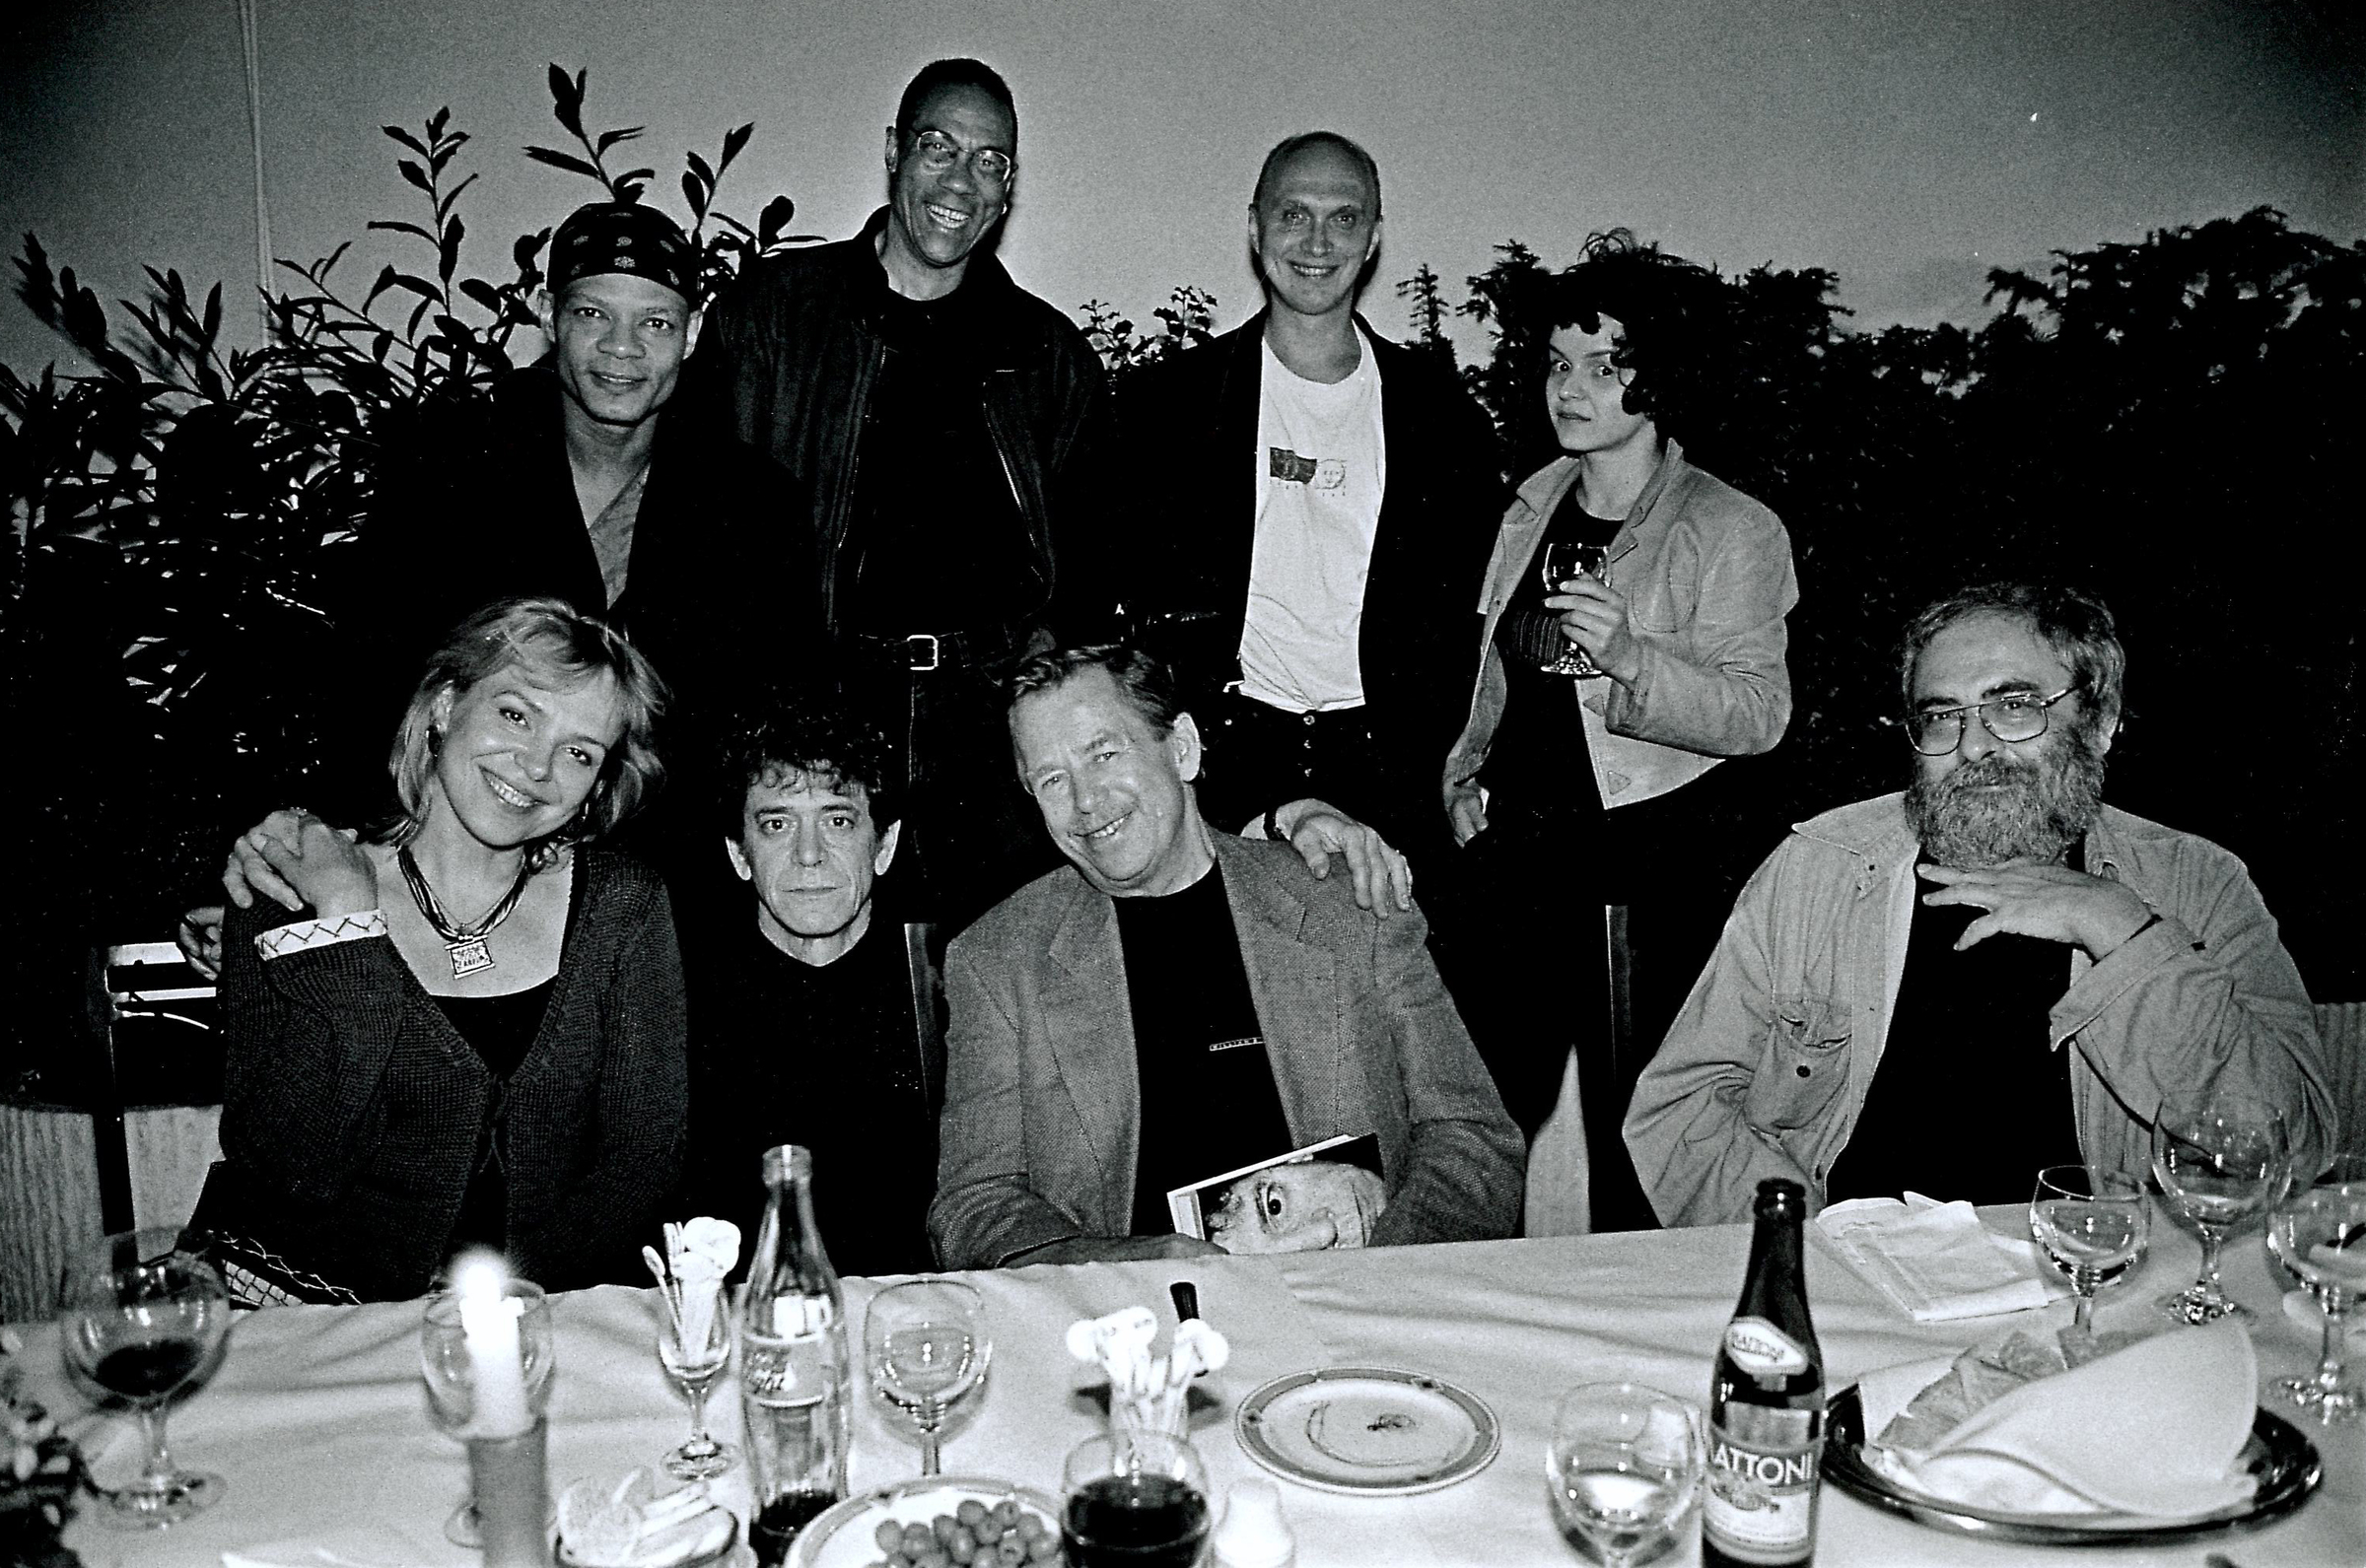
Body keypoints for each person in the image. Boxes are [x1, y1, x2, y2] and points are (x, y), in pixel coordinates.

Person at [1623, 583, 2334, 1227]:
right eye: (1941, 717)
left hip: (2092, 1275)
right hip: (1857, 1274)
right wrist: (1804, 1246)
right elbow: (1683, 1108)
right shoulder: (1823, 868)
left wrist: (2121, 930)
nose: (1972, 746)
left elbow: (2288, 1147)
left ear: (2100, 722)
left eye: (2014, 707)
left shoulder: (2195, 882)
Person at [928, 645, 1523, 1270]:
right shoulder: (1000, 961)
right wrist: (1122, 1264)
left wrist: (1374, 1279)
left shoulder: (1345, 904)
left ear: (1183, 748)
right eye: (1051, 779)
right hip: (1143, 1314)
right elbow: (974, 1205)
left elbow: (1472, 1140)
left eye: (1104, 754)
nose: (1085, 801)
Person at [695, 58, 1115, 930]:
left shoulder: (1048, 356)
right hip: (824, 709)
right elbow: (700, 534)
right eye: (938, 147)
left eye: (990, 161)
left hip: (992, 723)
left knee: (1003, 966)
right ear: (893, 152)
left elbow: (1092, 566)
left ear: (1008, 186)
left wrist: (1043, 684)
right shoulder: (773, 318)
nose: (961, 181)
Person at [1440, 233, 1799, 1228]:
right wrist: (1464, 779)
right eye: (1559, 364)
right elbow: (1498, 678)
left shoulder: (1730, 526)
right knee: (1484, 1119)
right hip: (1517, 863)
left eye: (1604, 366)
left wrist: (1636, 657)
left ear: (1662, 377)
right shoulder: (1529, 506)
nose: (1571, 387)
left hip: (1642, 873)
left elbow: (1760, 713)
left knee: (1633, 1137)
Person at [209, 597, 685, 1300]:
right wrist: (346, 923)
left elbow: (641, 1162)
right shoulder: (289, 889)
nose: (537, 766)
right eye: (516, 715)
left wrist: (500, 1306)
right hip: (297, 1308)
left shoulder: (622, 907)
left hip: (526, 1314)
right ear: (443, 706)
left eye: (579, 752)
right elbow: (292, 1172)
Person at [341, 198, 813, 830]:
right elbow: (372, 680)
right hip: (469, 836)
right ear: (548, 314)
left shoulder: (754, 504)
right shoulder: (449, 472)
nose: (622, 348)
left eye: (655, 323)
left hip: (676, 857)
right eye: (593, 313)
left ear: (692, 334)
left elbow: (779, 723)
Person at [1118, 131, 1501, 862]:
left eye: (1344, 218)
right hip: (1220, 759)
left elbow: (1474, 617)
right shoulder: (1169, 406)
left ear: (1374, 236)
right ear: (1255, 227)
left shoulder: (1445, 420)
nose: (1318, 242)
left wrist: (1460, 762)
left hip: (1392, 769)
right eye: (1294, 214)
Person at [681, 695, 940, 1277]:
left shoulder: (939, 985)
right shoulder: (681, 996)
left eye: (837, 820)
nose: (808, 854)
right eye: (777, 824)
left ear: (885, 845)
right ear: (738, 853)